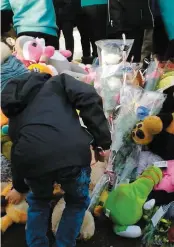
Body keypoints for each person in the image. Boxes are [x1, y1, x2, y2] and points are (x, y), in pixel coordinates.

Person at [1, 53, 111, 247]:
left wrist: (20, 186)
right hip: (73, 154)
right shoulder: (59, 82)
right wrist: (101, 141)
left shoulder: (15, 111)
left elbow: (19, 150)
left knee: (39, 203)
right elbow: (88, 97)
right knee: (76, 202)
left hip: (34, 161)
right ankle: (64, 243)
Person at [76, 0, 108, 64]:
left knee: (86, 35)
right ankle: (98, 61)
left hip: (83, 5)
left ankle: (88, 60)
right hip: (99, 3)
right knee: (99, 35)